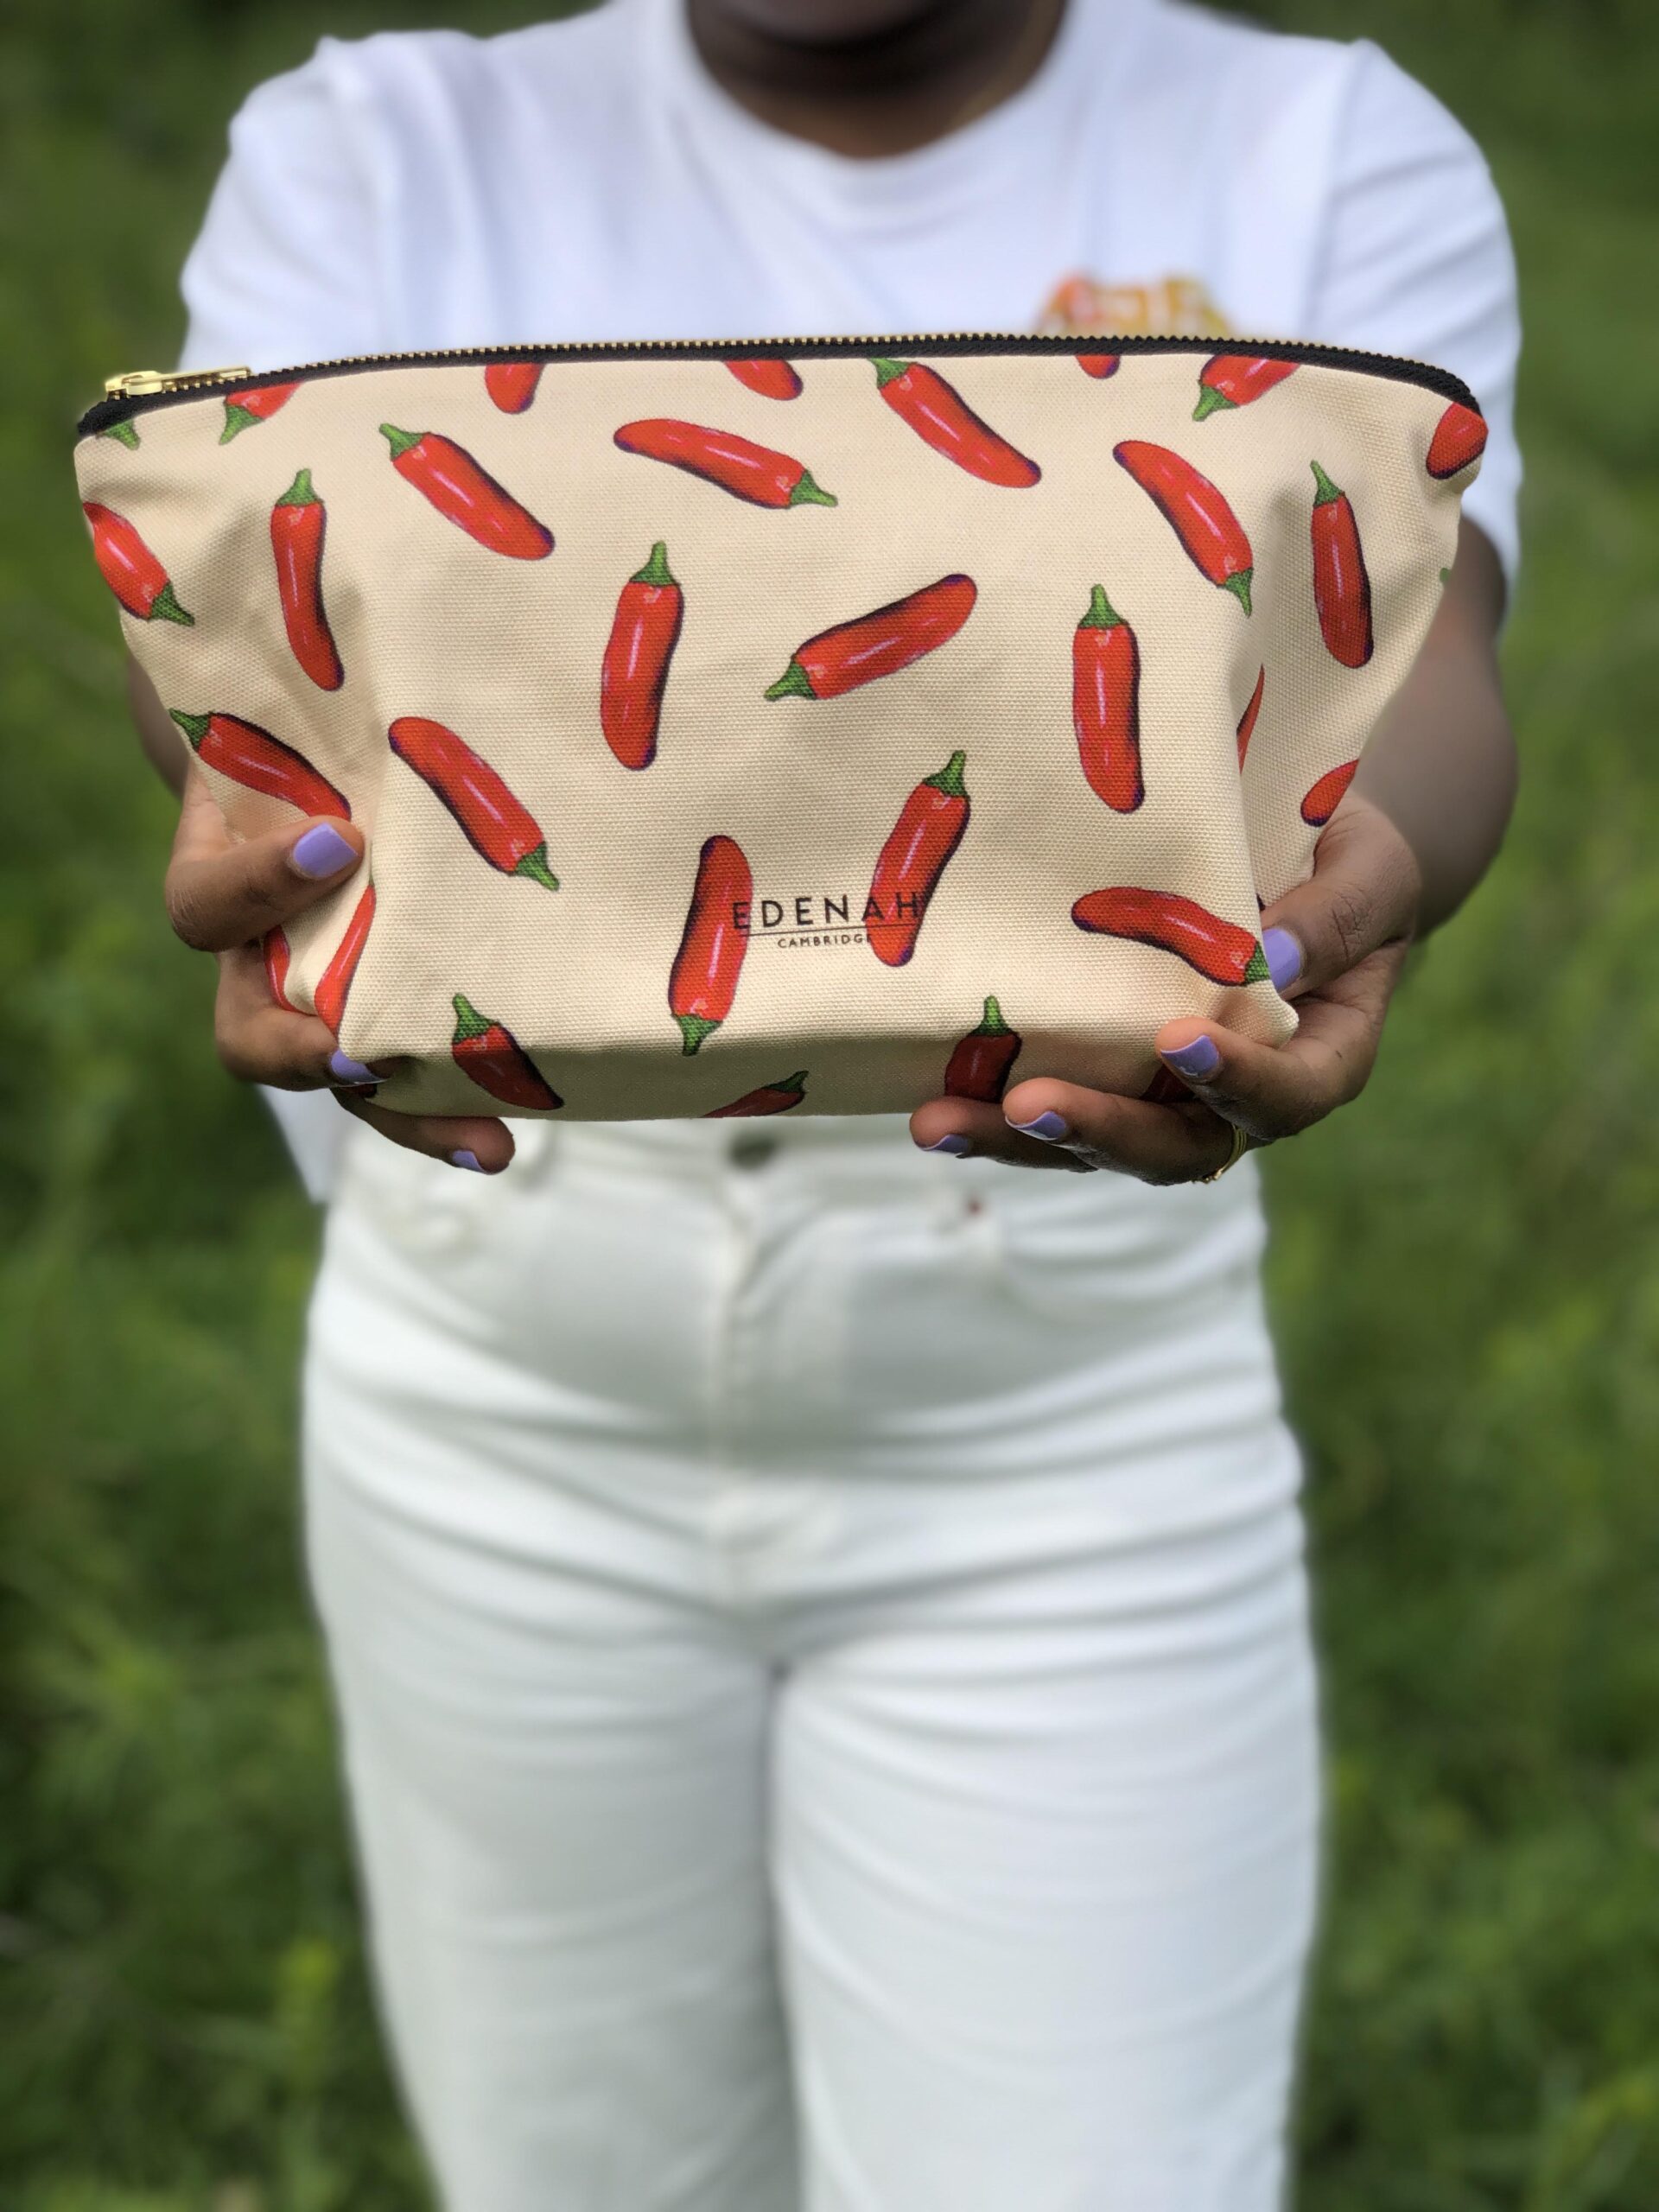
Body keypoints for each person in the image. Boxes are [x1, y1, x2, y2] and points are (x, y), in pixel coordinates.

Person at [129, 0, 1519, 2203]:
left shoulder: (1320, 141)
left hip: (1066, 1437)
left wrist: (1375, 890)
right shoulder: (380, 140)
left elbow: (1429, 647)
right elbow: (238, 657)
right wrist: (255, 831)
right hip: (492, 1410)